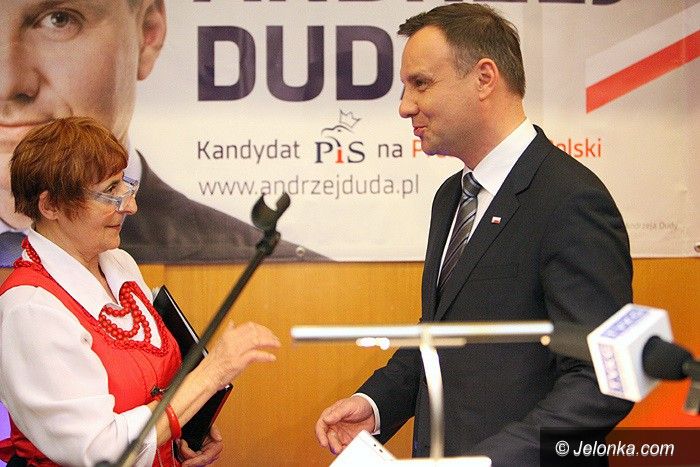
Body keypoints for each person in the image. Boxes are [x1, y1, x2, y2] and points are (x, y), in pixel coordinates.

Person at [315, 4, 634, 465]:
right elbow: (442, 333)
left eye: (420, 83)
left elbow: (603, 381)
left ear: (484, 78)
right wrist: (377, 404)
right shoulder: (452, 197)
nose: (405, 106)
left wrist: (485, 462)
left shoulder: (570, 199)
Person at [0, 117, 282, 466]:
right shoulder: (30, 309)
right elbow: (101, 451)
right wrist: (212, 374)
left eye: (125, 184)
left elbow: (153, 390)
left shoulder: (119, 263)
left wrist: (188, 425)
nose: (130, 206)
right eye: (110, 192)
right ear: (51, 206)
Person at [0, 0, 322, 267]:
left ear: (148, 32)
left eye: (59, 20)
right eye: (112, 190)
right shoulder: (33, 299)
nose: (8, 84)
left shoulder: (125, 267)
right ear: (47, 206)